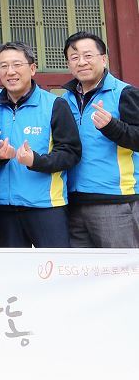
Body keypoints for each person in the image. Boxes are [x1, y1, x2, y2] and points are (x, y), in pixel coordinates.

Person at [0, 42, 81, 248]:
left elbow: (71, 153)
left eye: (16, 65)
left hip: (46, 207)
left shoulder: (55, 104)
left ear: (32, 68)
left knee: (53, 272)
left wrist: (35, 161)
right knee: (14, 274)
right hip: (2, 208)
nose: (10, 72)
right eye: (3, 66)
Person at [60, 32, 139, 248]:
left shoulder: (125, 94)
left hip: (115, 202)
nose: (82, 62)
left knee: (123, 276)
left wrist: (112, 127)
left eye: (88, 55)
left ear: (103, 59)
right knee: (83, 277)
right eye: (74, 58)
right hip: (73, 200)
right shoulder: (63, 100)